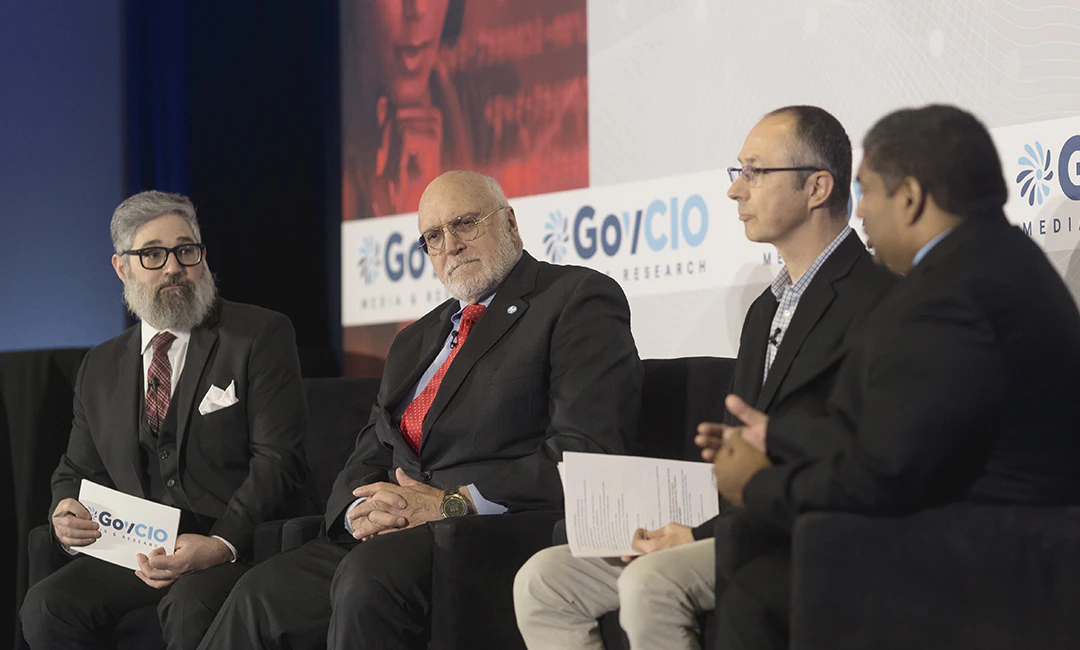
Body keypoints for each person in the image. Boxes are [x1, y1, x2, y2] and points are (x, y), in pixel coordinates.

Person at [199, 170, 644, 649]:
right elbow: (369, 452)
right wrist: (358, 511)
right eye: (433, 236)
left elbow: (584, 452)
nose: (450, 245)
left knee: (367, 580)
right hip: (389, 534)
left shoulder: (575, 298)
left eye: (465, 223)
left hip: (487, 533)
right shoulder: (415, 339)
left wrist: (453, 501)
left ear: (510, 223)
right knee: (258, 594)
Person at [513, 106, 898, 649]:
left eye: (755, 172)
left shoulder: (878, 301)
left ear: (817, 186)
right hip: (729, 521)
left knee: (652, 582)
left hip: (802, 530)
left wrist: (696, 534)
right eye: (736, 172)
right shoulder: (765, 310)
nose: (735, 191)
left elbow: (852, 459)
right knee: (544, 581)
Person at [706, 104, 1080, 649]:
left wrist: (758, 484)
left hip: (994, 559)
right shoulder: (1000, 262)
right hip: (1015, 542)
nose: (859, 217)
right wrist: (778, 435)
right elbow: (895, 432)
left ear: (909, 198)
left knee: (758, 591)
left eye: (866, 193)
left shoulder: (948, 294)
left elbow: (879, 476)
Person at [19, 191, 308, 650]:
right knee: (46, 606)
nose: (173, 267)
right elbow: (76, 472)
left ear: (203, 257)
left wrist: (219, 544)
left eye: (185, 250)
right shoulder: (100, 364)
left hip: (232, 547)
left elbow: (279, 461)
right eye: (152, 254)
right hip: (141, 551)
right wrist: (66, 511)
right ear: (122, 268)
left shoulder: (259, 335)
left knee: (191, 605)